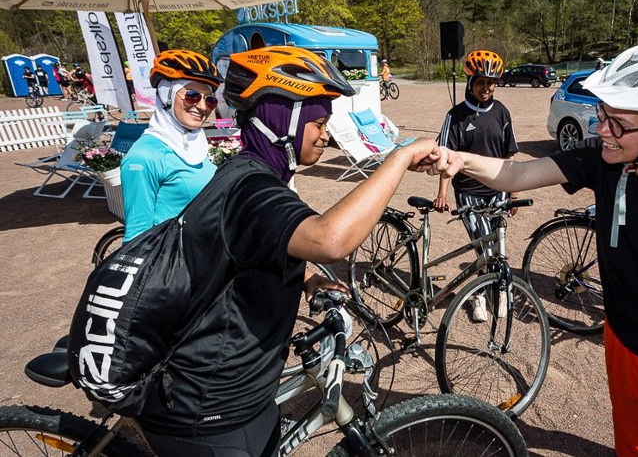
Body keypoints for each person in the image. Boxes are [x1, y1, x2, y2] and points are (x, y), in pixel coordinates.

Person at [431, 42, 638, 456]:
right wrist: (457, 159)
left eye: (617, 123)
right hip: (617, 329)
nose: (601, 131)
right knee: (629, 436)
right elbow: (515, 172)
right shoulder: (607, 159)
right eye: (602, 116)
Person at [135, 46, 439, 456]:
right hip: (210, 407)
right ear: (284, 119)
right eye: (318, 122)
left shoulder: (255, 174)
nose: (326, 134)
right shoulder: (250, 186)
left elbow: (249, 253)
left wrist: (306, 276)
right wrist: (400, 157)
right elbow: (329, 239)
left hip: (244, 388)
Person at [433, 49, 519, 323]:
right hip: (469, 192)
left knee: (500, 247)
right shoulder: (456, 115)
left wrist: (514, 191)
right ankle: (479, 295)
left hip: (499, 189)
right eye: (481, 82)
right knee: (484, 247)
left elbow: (510, 154)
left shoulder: (502, 112)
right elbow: (446, 156)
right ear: (471, 82)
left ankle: (501, 291)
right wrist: (442, 193)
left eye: (491, 83)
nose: (486, 88)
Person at [120, 50, 222, 243]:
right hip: (178, 264)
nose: (202, 107)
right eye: (192, 96)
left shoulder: (194, 142)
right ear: (166, 96)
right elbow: (136, 237)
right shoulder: (144, 156)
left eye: (209, 100)